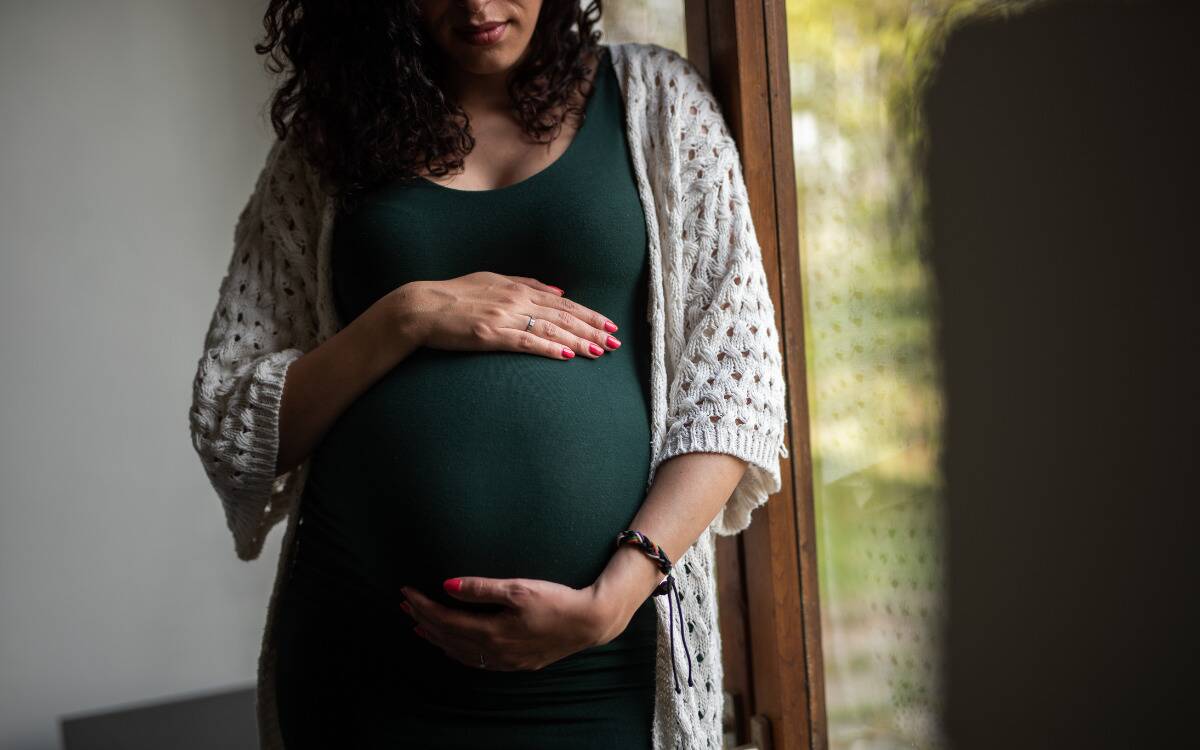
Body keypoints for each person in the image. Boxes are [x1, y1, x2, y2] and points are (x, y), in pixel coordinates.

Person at [188, 1, 789, 748]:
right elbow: (233, 415)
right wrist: (405, 315)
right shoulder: (331, 144)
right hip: (368, 670)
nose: (477, 4)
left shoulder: (656, 100)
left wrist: (616, 596)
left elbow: (736, 381)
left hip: (602, 665)